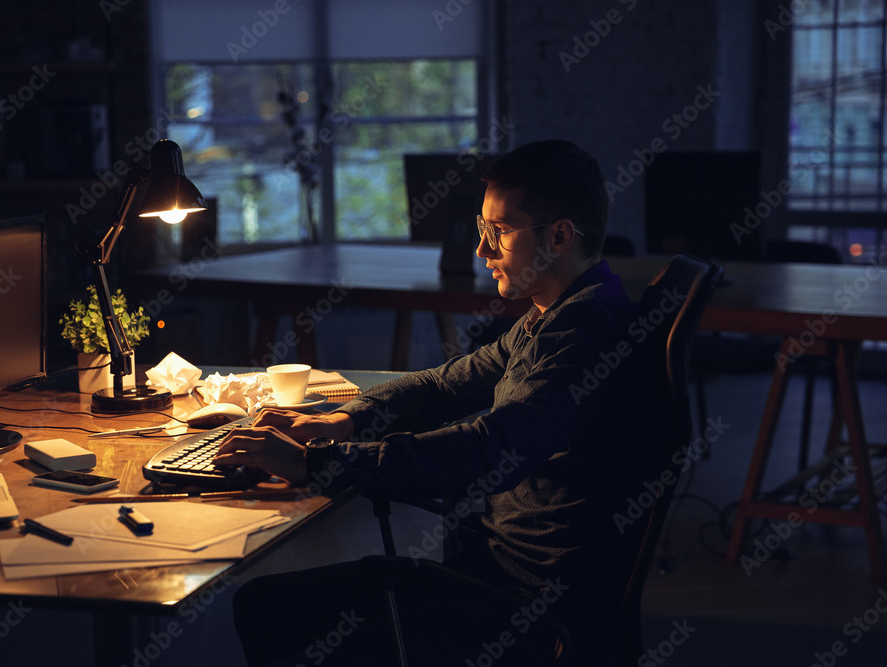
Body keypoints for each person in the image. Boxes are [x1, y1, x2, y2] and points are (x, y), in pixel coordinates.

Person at [217, 140, 666, 666]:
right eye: (482, 230)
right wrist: (342, 420)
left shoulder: (581, 334)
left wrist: (312, 463)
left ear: (560, 236)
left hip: (524, 606)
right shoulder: (560, 311)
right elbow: (447, 383)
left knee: (271, 611)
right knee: (266, 604)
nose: (482, 250)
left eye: (498, 231)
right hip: (493, 573)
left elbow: (489, 451)